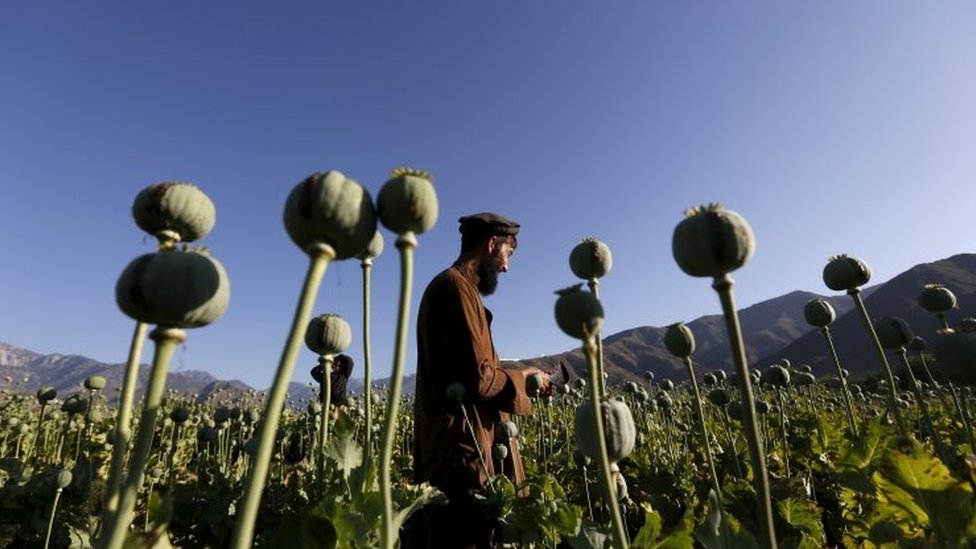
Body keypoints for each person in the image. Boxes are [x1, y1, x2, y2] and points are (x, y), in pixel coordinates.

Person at [408, 212, 552, 548]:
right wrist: (525, 378)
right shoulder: (454, 288)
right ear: (491, 245)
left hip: (462, 445)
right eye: (508, 255)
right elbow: (479, 379)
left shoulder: (460, 289)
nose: (506, 267)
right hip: (460, 452)